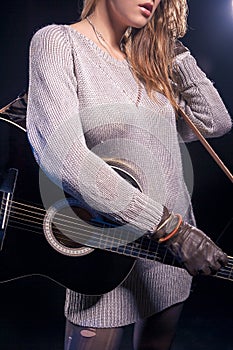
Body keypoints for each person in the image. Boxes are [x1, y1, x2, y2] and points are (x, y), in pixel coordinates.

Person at [26, 0, 232, 349]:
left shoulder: (146, 62)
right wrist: (170, 229)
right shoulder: (57, 44)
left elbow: (215, 120)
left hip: (169, 261)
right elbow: (66, 159)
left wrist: (174, 52)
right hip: (105, 259)